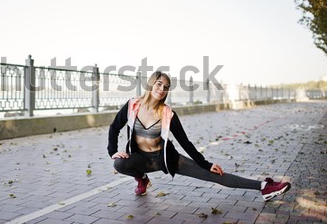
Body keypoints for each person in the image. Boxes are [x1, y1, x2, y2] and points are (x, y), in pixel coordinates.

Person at [107, 71, 291, 201]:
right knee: (119, 163)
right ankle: (142, 179)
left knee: (213, 176)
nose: (162, 89)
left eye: (166, 87)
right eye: (159, 84)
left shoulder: (168, 113)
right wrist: (113, 151)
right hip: (140, 159)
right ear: (151, 84)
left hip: (165, 159)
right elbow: (115, 127)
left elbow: (185, 142)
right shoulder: (132, 105)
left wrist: (206, 164)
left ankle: (263, 187)